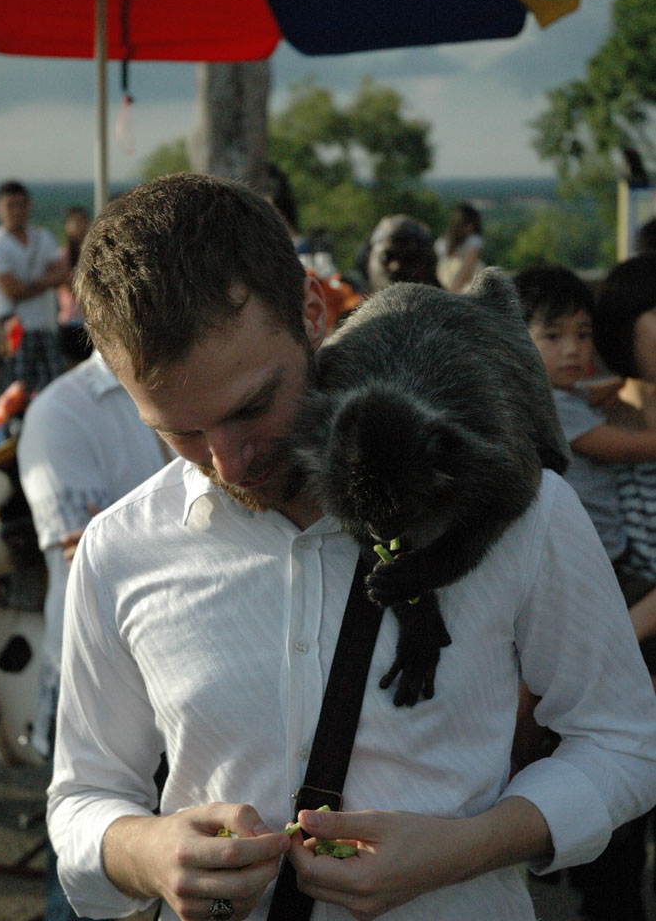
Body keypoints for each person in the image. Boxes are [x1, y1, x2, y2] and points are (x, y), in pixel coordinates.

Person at [47, 174, 656, 921]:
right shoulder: (121, 547)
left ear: (312, 311)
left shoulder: (513, 504)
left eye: (251, 407)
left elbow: (625, 740)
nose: (228, 462)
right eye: (179, 433)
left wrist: (466, 847)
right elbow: (83, 795)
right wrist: (145, 853)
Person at [514, 263, 656, 921]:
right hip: (598, 579)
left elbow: (598, 394)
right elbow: (631, 449)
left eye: (582, 333)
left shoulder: (570, 396)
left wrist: (616, 386)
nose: (573, 349)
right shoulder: (542, 412)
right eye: (553, 337)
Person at [17, 348, 174, 921]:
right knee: (88, 872)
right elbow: (81, 551)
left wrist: (126, 536)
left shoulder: (213, 377)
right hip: (99, 669)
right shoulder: (63, 410)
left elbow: (107, 543)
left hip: (186, 669)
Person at [0, 181, 68, 392]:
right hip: (16, 328)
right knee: (17, 392)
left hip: (46, 326)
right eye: (10, 206)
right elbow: (11, 291)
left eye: (21, 205)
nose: (17, 211)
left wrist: (28, 286)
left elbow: (62, 274)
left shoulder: (42, 237)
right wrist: (45, 280)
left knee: (53, 388)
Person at [365, 213, 440, 292]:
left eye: (409, 259)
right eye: (387, 257)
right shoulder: (352, 299)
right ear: (369, 258)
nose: (396, 267)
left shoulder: (449, 302)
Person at [56, 205, 91, 367]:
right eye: (74, 222)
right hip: (70, 320)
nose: (79, 226)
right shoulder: (62, 256)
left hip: (91, 320)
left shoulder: (92, 254)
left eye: (82, 221)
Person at [434, 201, 484, 293]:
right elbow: (465, 271)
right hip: (451, 288)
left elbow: (466, 271)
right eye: (467, 224)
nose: (470, 228)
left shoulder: (472, 241)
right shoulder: (443, 243)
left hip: (455, 289)